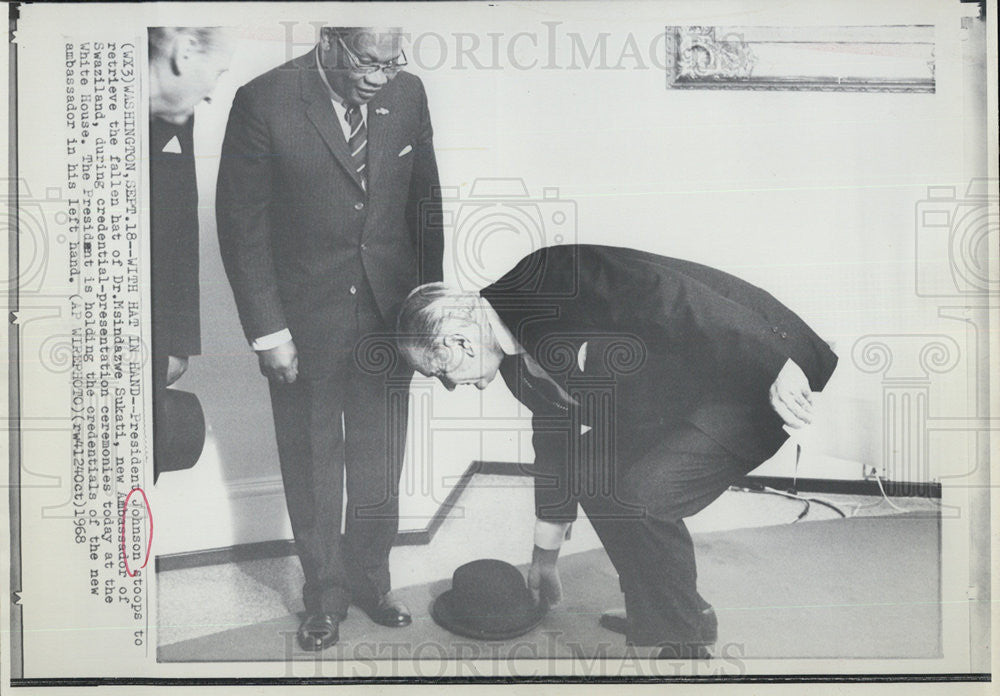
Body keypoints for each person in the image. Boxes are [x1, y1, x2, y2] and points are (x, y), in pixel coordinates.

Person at [397, 244, 838, 658]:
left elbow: (672, 296)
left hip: (750, 373)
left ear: (459, 342)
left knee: (645, 494)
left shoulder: (545, 276)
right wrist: (545, 556)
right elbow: (555, 441)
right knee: (589, 469)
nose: (451, 386)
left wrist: (773, 361)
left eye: (439, 373)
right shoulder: (514, 367)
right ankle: (671, 609)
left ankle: (684, 651)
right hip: (682, 398)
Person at [216, 26, 443, 651]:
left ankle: (372, 581)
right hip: (302, 321)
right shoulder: (265, 100)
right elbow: (241, 225)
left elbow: (426, 205)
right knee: (313, 460)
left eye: (394, 61)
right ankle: (325, 596)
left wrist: (430, 313)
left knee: (378, 458)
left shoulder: (411, 95)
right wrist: (268, 331)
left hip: (388, 316)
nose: (381, 76)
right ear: (330, 44)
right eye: (368, 62)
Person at [148, 27, 235, 478]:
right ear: (185, 50)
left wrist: (177, 342)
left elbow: (180, 228)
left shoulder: (174, 117)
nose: (210, 95)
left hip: (151, 337)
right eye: (216, 74)